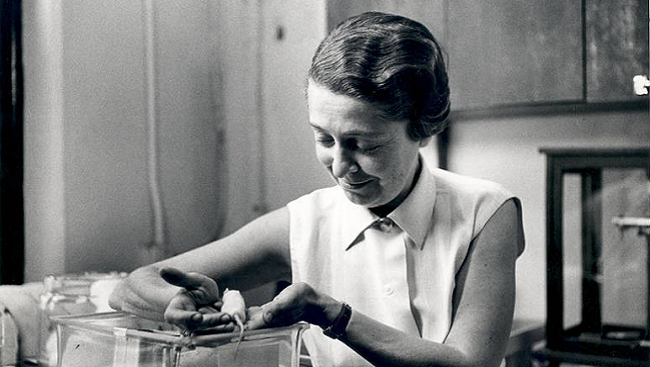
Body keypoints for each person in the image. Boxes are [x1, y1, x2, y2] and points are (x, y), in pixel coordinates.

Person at [109, 11, 525, 367]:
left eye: (365, 145)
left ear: (422, 129)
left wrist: (331, 314)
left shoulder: (485, 212)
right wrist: (175, 304)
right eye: (324, 139)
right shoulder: (307, 221)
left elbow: (470, 363)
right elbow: (131, 287)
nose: (341, 167)